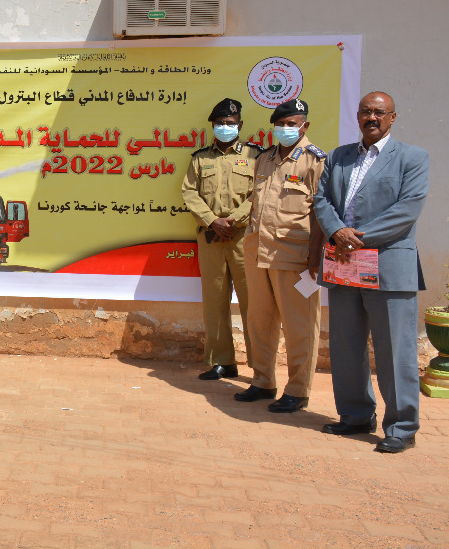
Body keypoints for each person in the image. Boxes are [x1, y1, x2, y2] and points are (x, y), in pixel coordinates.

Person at [313, 92, 429, 454]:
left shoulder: (413, 158)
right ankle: (356, 415)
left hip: (389, 266)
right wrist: (337, 231)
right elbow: (321, 200)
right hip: (344, 265)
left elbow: (407, 209)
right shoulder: (339, 156)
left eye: (379, 112)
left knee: (395, 351)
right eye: (366, 111)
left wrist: (355, 238)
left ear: (393, 117)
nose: (372, 117)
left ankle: (402, 427)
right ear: (358, 116)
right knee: (346, 346)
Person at [234, 98, 325, 413]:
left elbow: (322, 212)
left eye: (291, 123)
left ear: (304, 125)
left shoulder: (315, 161)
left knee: (300, 326)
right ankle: (263, 381)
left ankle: (298, 390)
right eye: (280, 124)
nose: (285, 128)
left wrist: (316, 257)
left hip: (296, 257)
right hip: (258, 252)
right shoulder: (265, 158)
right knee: (259, 321)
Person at [181, 98, 261, 380]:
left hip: (243, 237)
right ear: (213, 126)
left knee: (253, 302)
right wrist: (213, 221)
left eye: (230, 123)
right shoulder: (200, 158)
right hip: (212, 236)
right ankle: (222, 361)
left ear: (240, 124)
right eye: (219, 123)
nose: (225, 127)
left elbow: (260, 192)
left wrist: (233, 220)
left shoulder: (256, 156)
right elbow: (189, 192)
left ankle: (261, 366)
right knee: (215, 301)